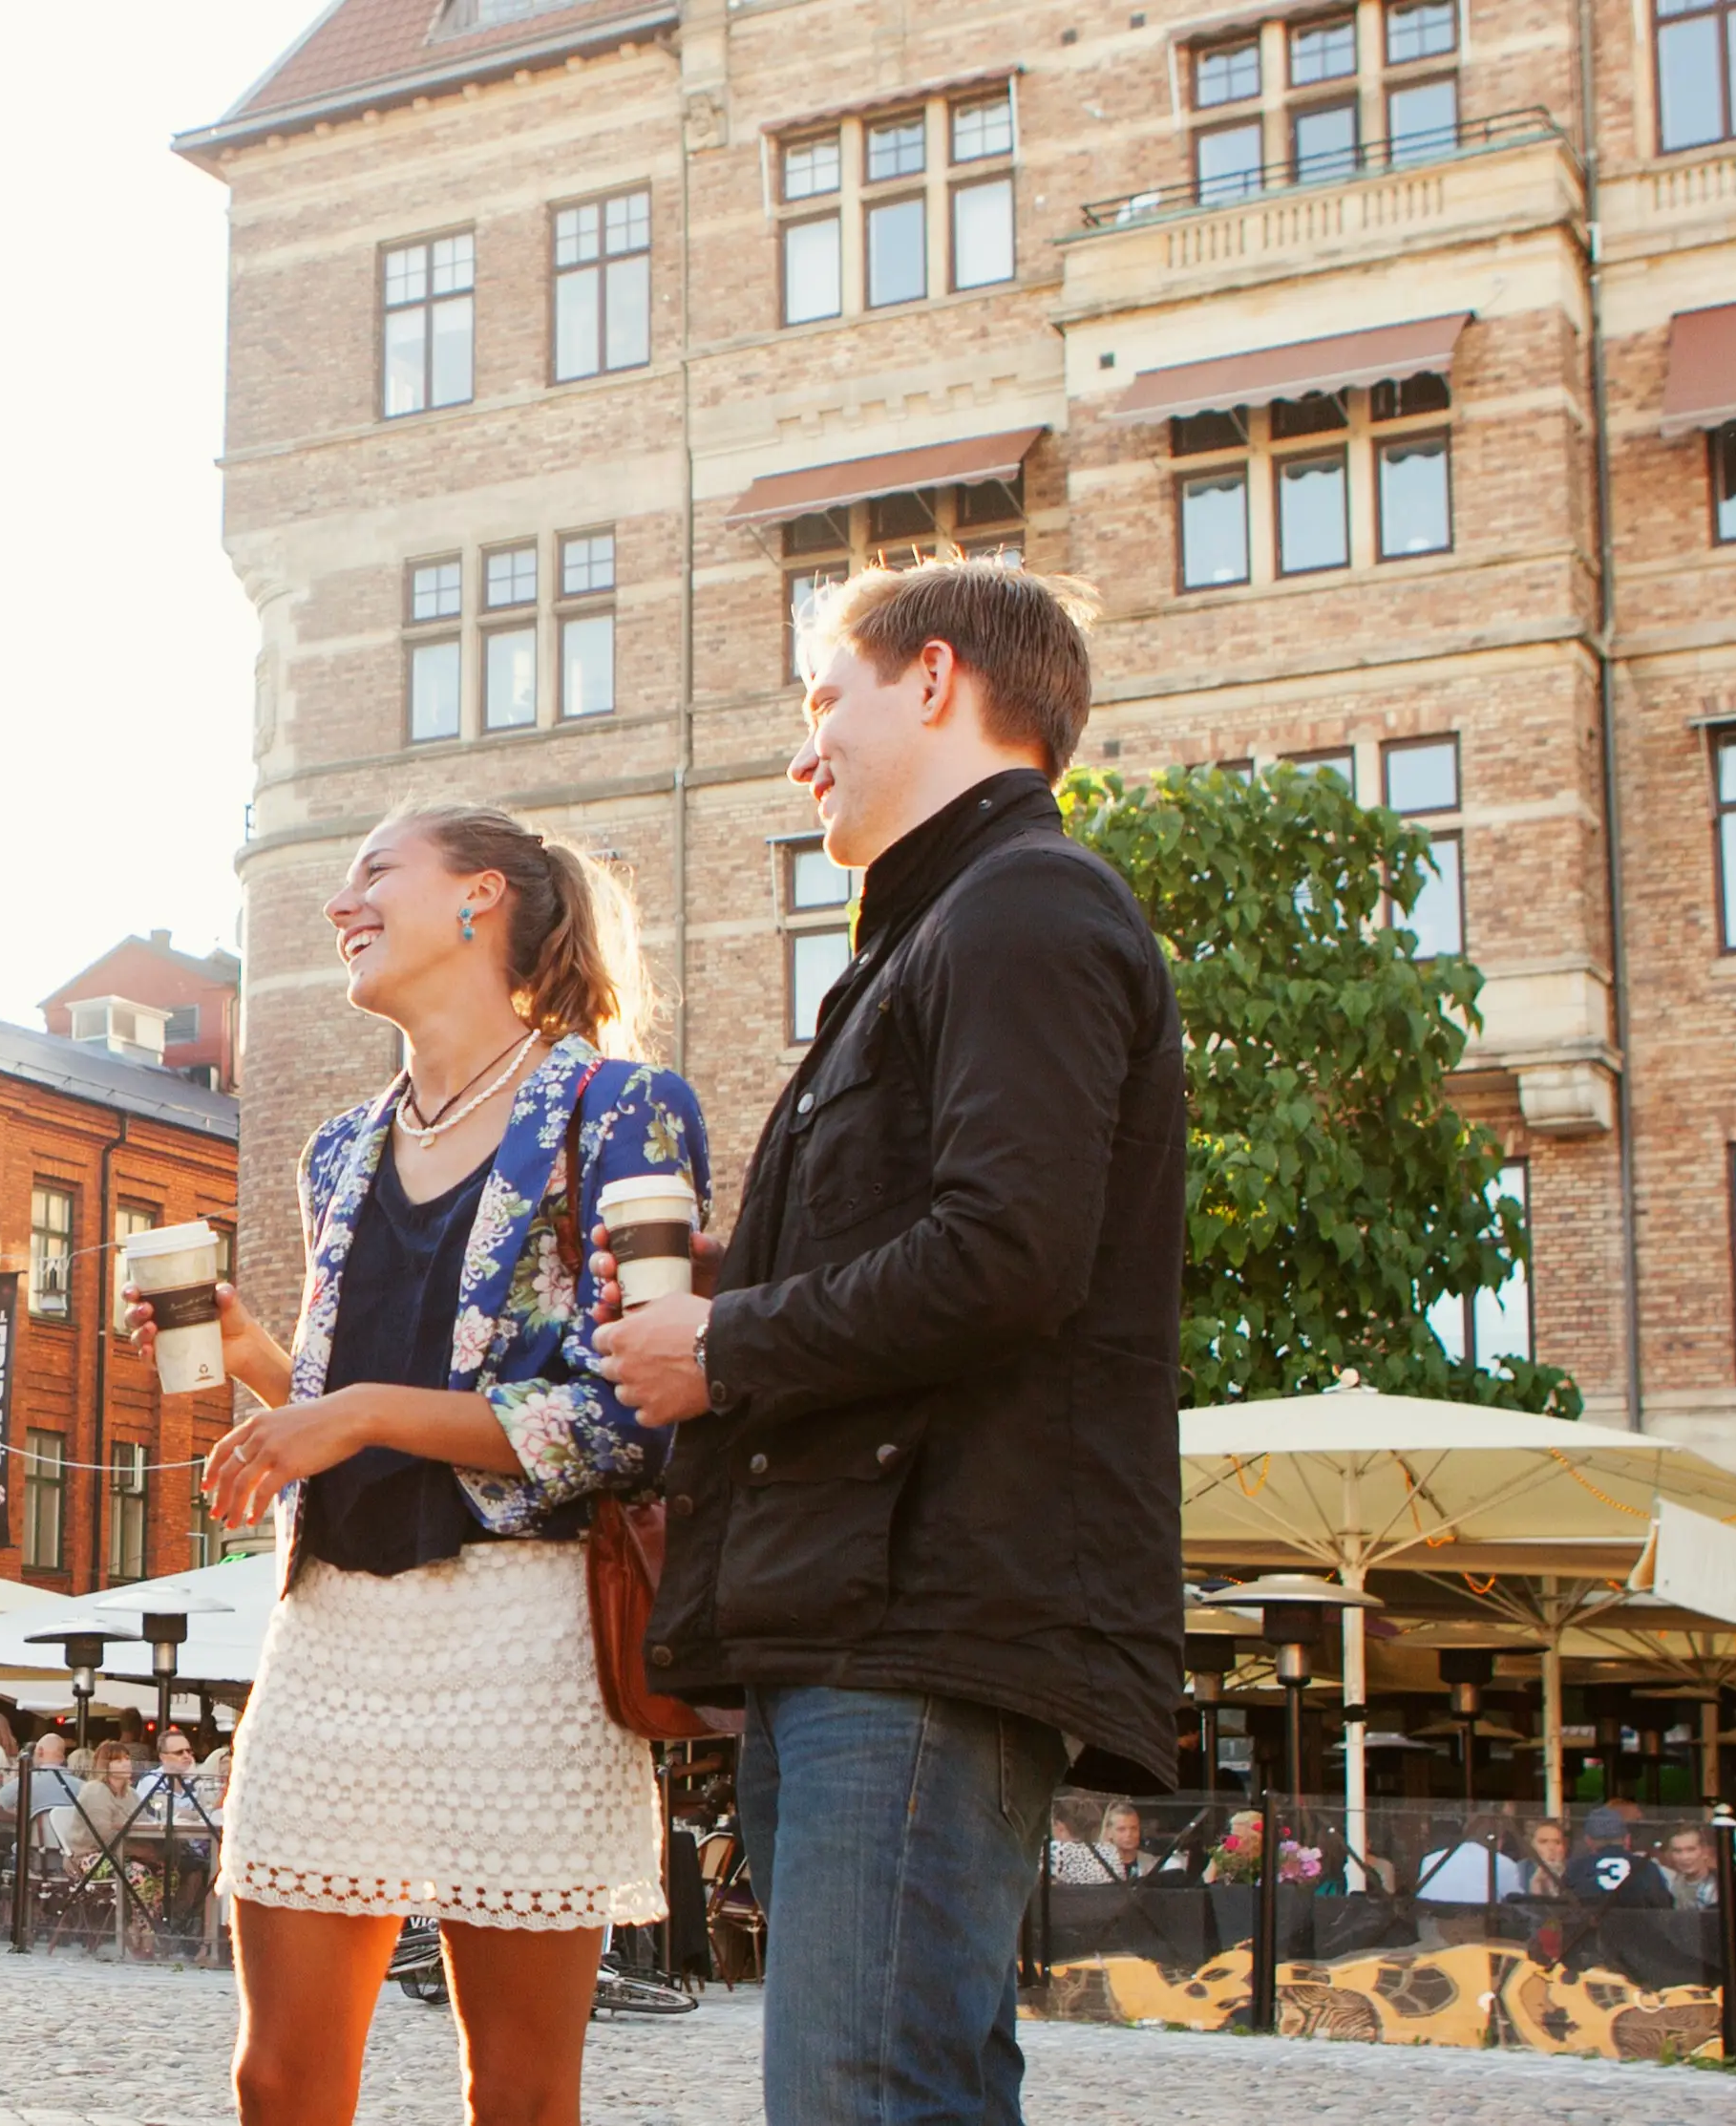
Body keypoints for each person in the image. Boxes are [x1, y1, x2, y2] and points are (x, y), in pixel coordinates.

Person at [593, 559, 1183, 2123]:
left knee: (868, 2097)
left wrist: (722, 1346)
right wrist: (742, 1276)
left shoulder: (1026, 907)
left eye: (822, 699)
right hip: (869, 1609)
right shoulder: (946, 930)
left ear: (934, 680)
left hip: (923, 1615)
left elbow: (1006, 1256)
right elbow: (959, 1240)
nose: (805, 752)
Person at [176, 799, 708, 2126]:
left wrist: (353, 1410)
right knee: (278, 2078)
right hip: (333, 1633)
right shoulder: (339, 1150)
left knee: (516, 2091)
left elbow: (624, 1416)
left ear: (479, 896)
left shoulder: (621, 1107)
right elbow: (350, 1402)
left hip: (522, 1634)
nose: (340, 903)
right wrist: (259, 1360)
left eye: (373, 875)